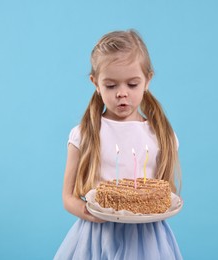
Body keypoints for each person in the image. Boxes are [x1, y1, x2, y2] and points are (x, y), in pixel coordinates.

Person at [54, 29, 182, 259]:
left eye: (132, 84)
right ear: (95, 83)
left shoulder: (161, 135)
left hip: (146, 240)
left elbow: (164, 193)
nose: (122, 94)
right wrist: (90, 213)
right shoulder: (84, 134)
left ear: (147, 80)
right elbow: (67, 198)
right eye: (111, 86)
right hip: (97, 237)